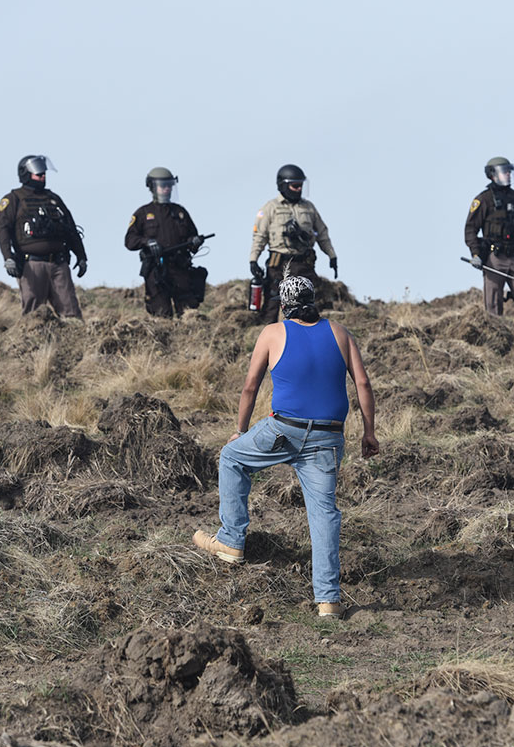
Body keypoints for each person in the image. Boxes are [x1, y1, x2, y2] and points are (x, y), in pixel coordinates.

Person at [192, 275, 379, 618]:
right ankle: (328, 601)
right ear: (314, 299)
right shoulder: (340, 333)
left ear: (283, 305)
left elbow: (250, 388)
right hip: (328, 436)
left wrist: (240, 430)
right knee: (324, 514)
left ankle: (231, 541)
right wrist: (369, 432)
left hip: (283, 431)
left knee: (232, 456)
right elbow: (363, 383)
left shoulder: (273, 332)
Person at [0, 155, 87, 318]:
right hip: (32, 265)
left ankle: (74, 342)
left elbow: (70, 229)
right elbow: (2, 230)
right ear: (26, 174)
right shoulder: (13, 199)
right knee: (34, 315)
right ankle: (34, 342)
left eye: (44, 173)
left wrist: (81, 256)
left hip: (59, 263)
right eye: (39, 174)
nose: (43, 176)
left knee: (71, 312)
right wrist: (8, 257)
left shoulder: (53, 198)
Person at [250, 164, 338, 323]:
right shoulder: (270, 208)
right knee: (272, 303)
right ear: (283, 185)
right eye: (295, 185)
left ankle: (309, 338)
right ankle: (267, 339)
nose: (299, 189)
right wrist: (253, 259)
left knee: (309, 305)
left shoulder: (309, 208)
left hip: (304, 264)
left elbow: (322, 233)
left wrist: (331, 255)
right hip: (278, 266)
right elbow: (259, 236)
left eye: (301, 185)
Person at [464, 156, 514, 326]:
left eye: (509, 171)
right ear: (492, 175)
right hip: (494, 257)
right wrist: (476, 254)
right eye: (504, 172)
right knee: (493, 301)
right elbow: (470, 230)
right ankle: (495, 337)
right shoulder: (483, 200)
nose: (508, 175)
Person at [124, 166, 209, 317]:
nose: (167, 189)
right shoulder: (143, 213)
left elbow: (191, 236)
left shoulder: (180, 212)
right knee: (161, 315)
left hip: (181, 269)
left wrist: (194, 242)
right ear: (152, 187)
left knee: (189, 313)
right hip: (157, 272)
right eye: (163, 186)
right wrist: (146, 242)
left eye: (170, 185)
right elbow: (130, 241)